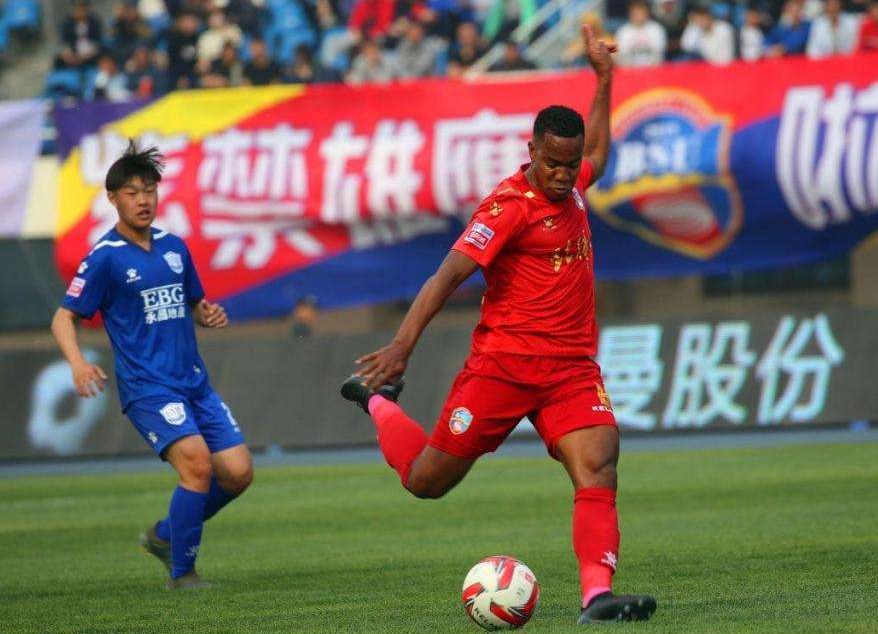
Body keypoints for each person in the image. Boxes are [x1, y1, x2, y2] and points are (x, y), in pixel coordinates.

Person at [340, 25, 657, 625]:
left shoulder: (572, 182)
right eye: (553, 163)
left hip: (570, 370)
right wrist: (402, 347)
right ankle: (378, 403)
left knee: (598, 463)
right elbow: (446, 276)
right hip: (503, 367)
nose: (564, 175)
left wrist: (605, 78)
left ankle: (596, 597)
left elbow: (597, 152)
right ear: (532, 151)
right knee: (426, 481)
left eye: (569, 165)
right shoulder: (507, 207)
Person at [51, 142, 253, 589]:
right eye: (131, 193)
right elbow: (63, 317)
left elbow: (194, 303)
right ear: (112, 199)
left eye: (149, 191)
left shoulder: (174, 247)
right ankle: (183, 574)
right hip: (149, 388)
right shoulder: (104, 257)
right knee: (197, 466)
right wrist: (78, 364)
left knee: (238, 474)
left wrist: (206, 314)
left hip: (194, 383)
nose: (143, 200)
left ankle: (164, 535)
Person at [614, 0, 667, 67]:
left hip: (653, 70)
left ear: (647, 12)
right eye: (635, 11)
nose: (638, 14)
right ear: (630, 13)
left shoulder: (657, 29)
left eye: (641, 11)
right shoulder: (623, 31)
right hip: (630, 71)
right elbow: (622, 56)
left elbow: (658, 55)